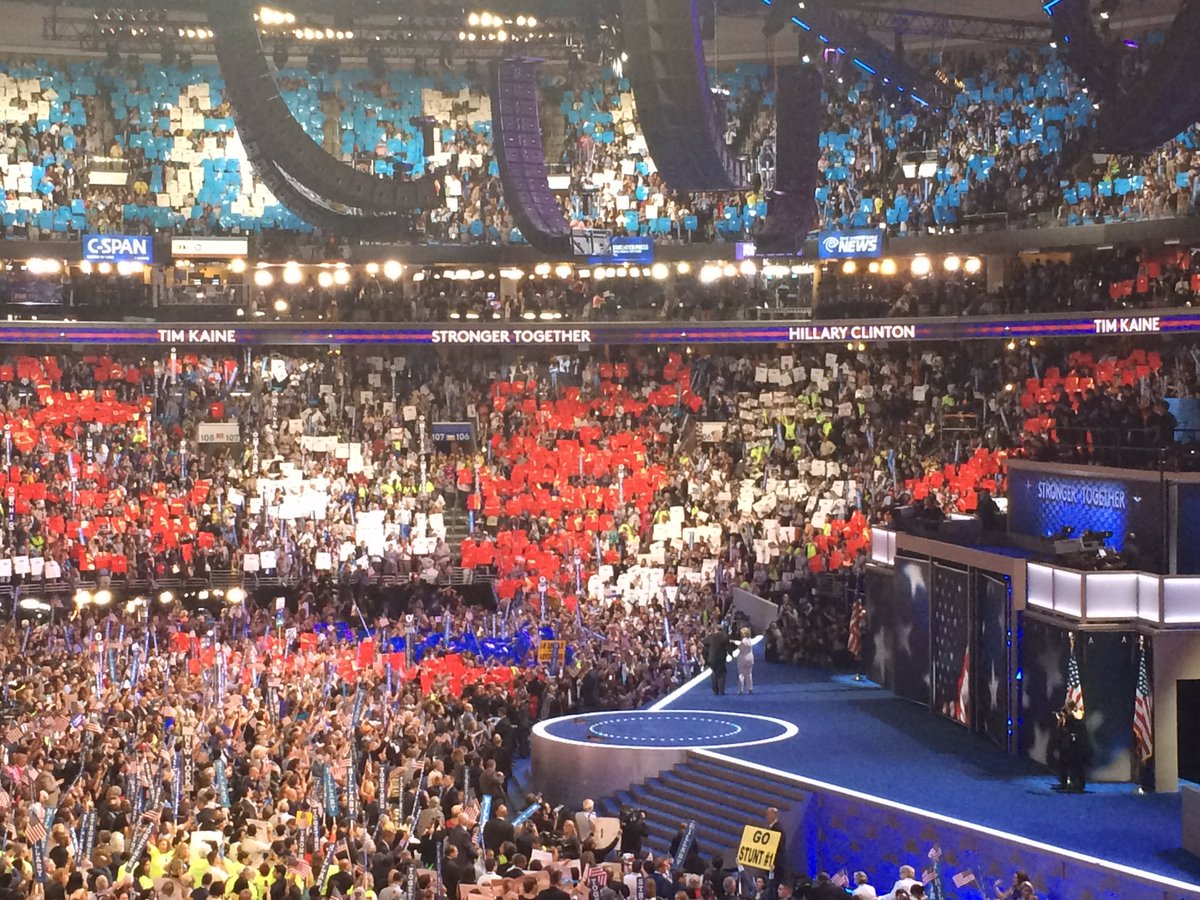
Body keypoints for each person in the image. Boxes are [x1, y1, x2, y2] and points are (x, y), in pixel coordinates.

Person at [704, 626, 734, 695]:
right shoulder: (724, 637)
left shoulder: (710, 637)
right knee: (722, 673)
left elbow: (704, 644)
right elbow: (728, 647)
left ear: (715, 629)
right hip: (721, 658)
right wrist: (731, 654)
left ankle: (715, 690)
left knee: (714, 672)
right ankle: (721, 690)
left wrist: (706, 657)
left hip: (712, 658)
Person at [736, 627, 755, 695]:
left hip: (742, 657)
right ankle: (750, 688)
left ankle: (740, 690)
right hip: (750, 657)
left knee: (741, 674)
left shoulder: (743, 642)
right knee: (749, 673)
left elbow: (740, 648)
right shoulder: (750, 640)